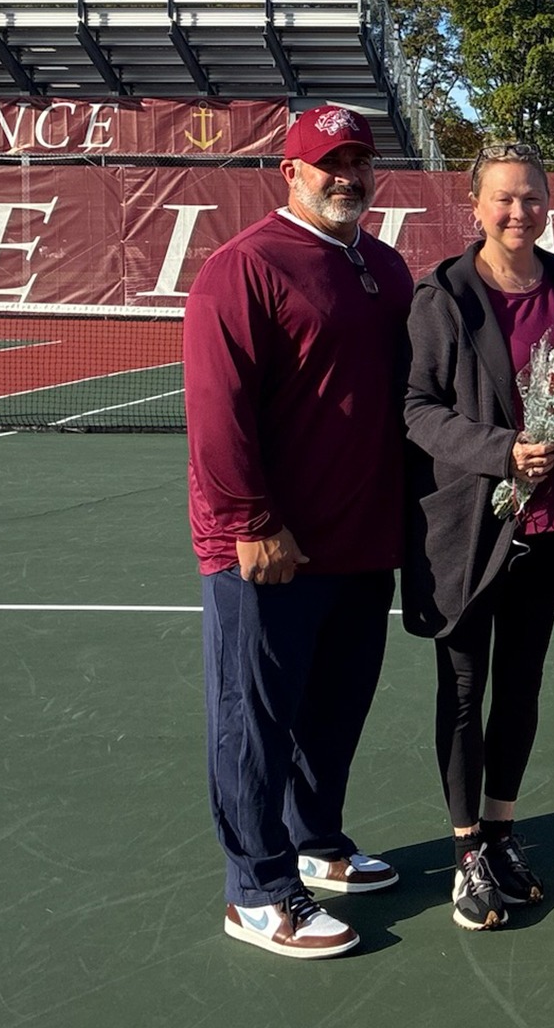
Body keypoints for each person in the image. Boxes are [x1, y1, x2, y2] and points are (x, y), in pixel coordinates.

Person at [184, 103, 413, 959]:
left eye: (359, 159)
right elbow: (217, 412)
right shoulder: (241, 269)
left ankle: (315, 843)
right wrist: (252, 523)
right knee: (254, 717)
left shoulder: (384, 268)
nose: (347, 175)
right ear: (291, 171)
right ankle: (257, 889)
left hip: (362, 541)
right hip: (269, 548)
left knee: (335, 707)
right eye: (329, 162)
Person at [403, 141, 554, 931]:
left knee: (520, 687)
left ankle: (500, 831)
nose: (518, 211)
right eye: (503, 198)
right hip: (465, 529)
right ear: (476, 206)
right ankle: (466, 856)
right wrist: (503, 453)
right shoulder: (445, 295)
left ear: (548, 203)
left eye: (531, 197)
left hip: (550, 529)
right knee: (461, 691)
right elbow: (417, 408)